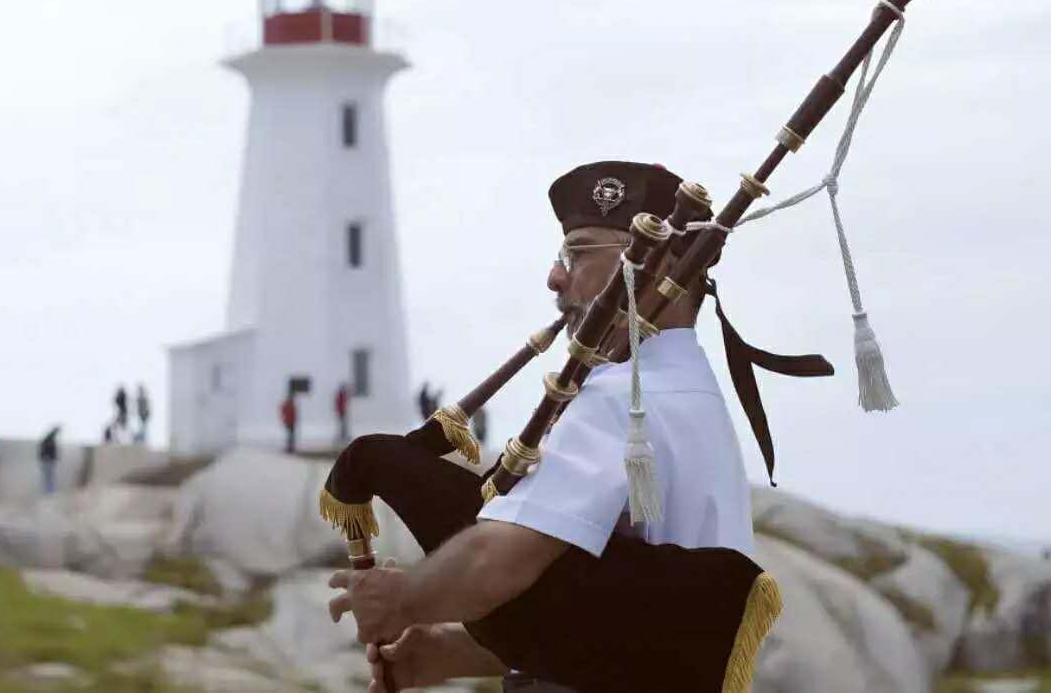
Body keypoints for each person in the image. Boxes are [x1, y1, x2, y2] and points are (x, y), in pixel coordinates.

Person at [328, 161, 766, 692]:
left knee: (376, 457)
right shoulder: (689, 389)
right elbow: (629, 618)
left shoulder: (621, 399)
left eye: (579, 253)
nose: (556, 277)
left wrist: (403, 599)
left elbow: (498, 559)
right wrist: (452, 652)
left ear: (661, 265)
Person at [37, 425, 61, 495]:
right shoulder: (49, 439)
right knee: (49, 476)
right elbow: (45, 450)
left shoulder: (49, 439)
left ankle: (48, 491)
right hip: (47, 461)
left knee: (48, 476)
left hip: (48, 461)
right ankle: (49, 491)